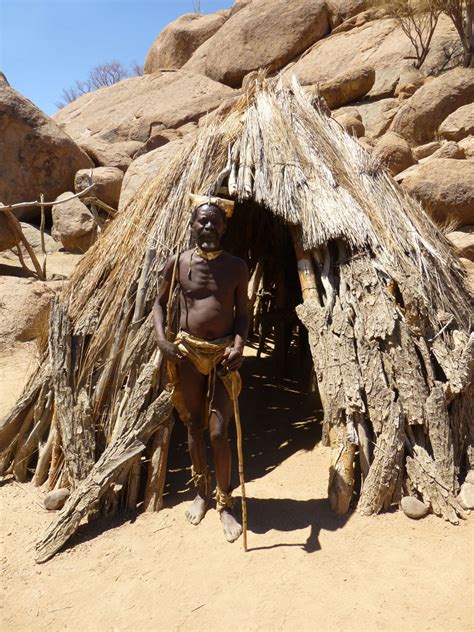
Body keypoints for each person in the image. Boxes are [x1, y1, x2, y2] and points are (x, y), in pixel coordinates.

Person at [153, 196, 249, 543]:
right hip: (188, 351)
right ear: (192, 225)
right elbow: (158, 305)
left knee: (218, 432)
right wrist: (163, 341)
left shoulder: (237, 267)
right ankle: (202, 493)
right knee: (193, 423)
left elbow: (242, 314)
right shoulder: (177, 263)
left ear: (224, 228)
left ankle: (225, 503)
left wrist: (239, 345)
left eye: (214, 222)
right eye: (201, 222)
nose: (207, 227)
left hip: (224, 354)